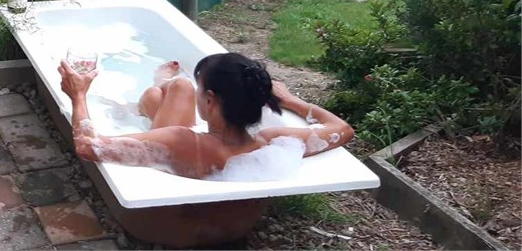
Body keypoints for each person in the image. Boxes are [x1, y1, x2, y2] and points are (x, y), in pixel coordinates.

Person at [59, 52, 354, 178]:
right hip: (231, 226)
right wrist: (290, 100)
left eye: (202, 90)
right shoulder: (273, 143)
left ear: (210, 101)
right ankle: (163, 89)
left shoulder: (184, 141)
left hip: (170, 229)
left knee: (164, 93)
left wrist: (79, 95)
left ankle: (161, 90)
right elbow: (342, 129)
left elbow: (89, 146)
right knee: (171, 90)